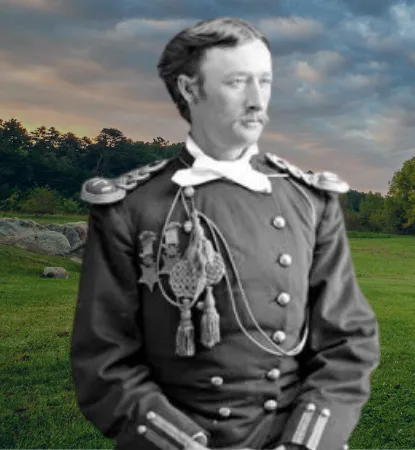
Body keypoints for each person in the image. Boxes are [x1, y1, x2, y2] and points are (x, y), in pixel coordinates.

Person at [70, 17, 380, 450]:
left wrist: (306, 442)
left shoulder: (310, 200)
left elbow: (347, 341)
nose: (257, 102)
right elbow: (103, 361)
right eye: (237, 82)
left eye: (265, 82)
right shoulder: (129, 205)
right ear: (189, 90)